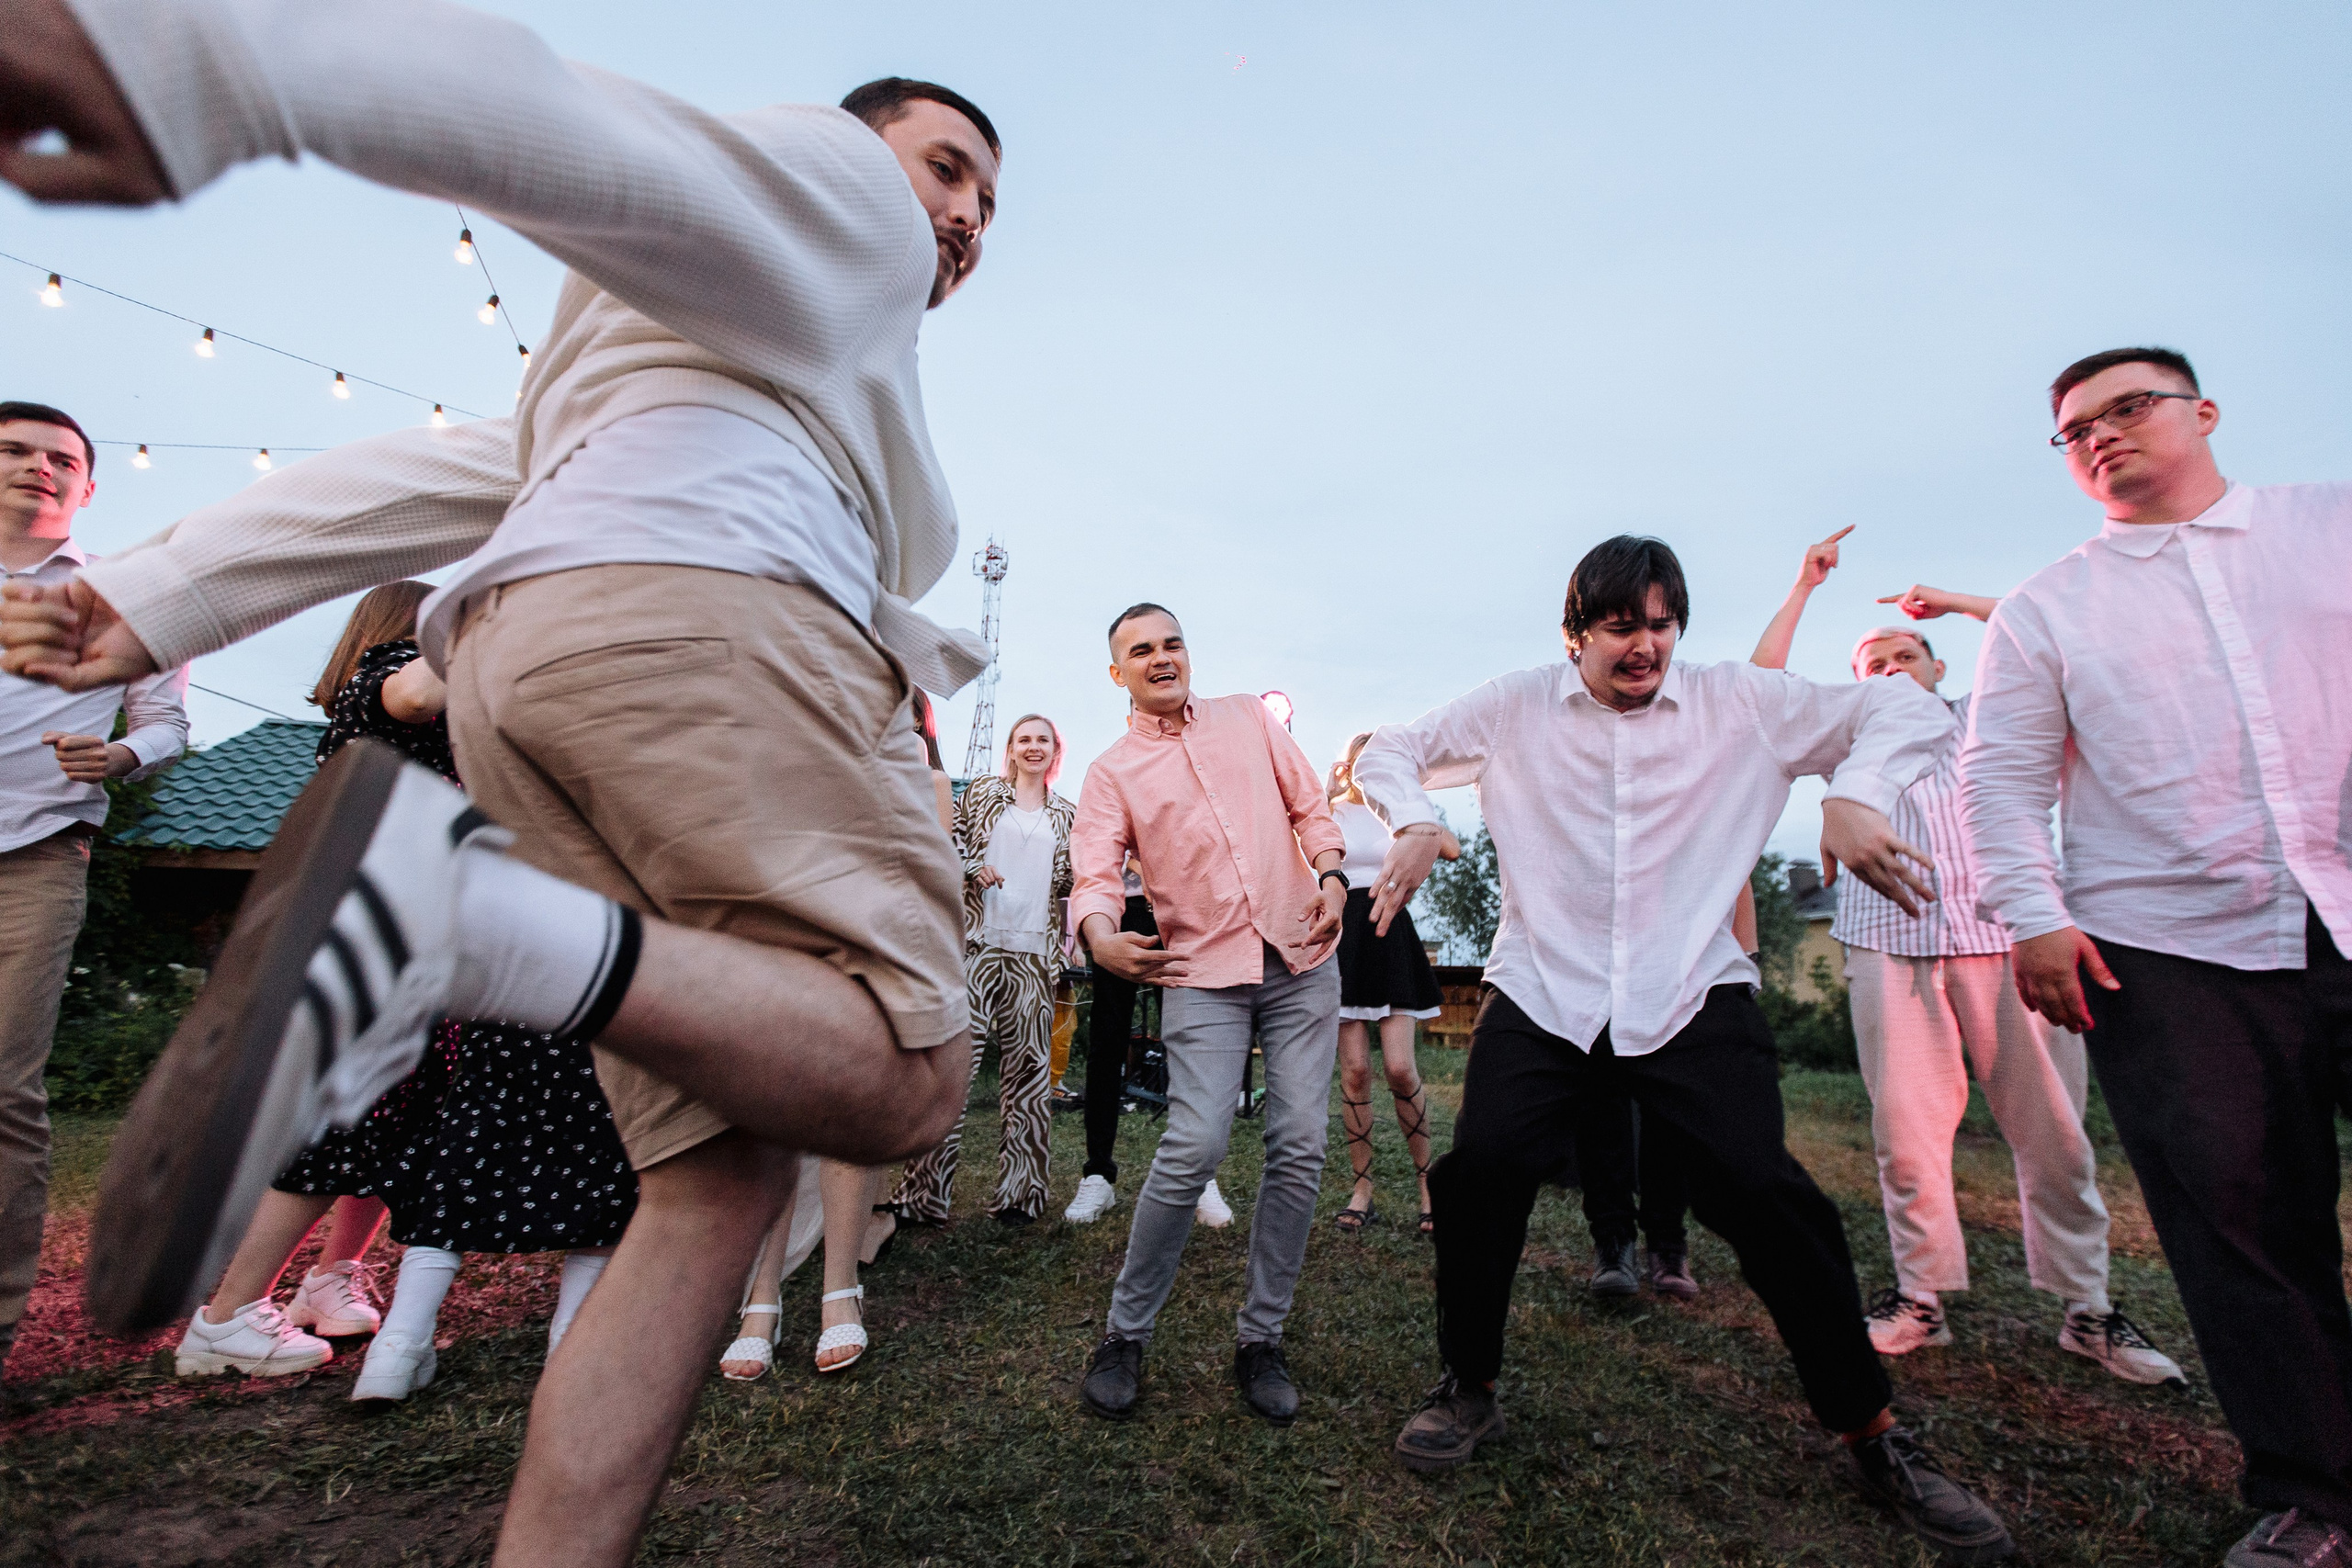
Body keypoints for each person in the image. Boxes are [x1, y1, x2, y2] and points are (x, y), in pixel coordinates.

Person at [1, 12, 1001, 1560]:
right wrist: (210, 65)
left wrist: (167, 585)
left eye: (989, 206)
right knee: (904, 1065)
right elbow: (592, 133)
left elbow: (475, 459)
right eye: (947, 168)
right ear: (856, 151)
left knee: (704, 1192)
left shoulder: (693, 345)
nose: (963, 217)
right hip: (714, 631)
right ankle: (451, 920)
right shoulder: (840, 201)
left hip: (531, 668)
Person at [1356, 536, 2014, 1564]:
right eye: (1621, 625)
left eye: (1662, 623)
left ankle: (1871, 1431)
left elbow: (1901, 710)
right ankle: (1469, 1384)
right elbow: (1389, 747)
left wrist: (1856, 793)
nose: (1645, 645)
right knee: (1482, 1175)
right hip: (1547, 987)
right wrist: (1407, 817)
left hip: (1688, 985)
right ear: (1575, 634)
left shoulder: (1739, 703)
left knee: (1766, 1194)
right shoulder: (1515, 704)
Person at [1961, 347, 2352, 1568]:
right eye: (2076, 429)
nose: (2102, 435)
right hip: (2165, 946)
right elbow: (2004, 778)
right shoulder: (2048, 607)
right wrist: (2032, 913)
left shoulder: (2327, 529)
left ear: (2205, 411)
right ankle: (2317, 1492)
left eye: (2130, 406)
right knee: (2239, 1215)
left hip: (2342, 895)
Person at [175, 584, 640, 1398]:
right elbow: (422, 690)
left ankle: (332, 1278)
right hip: (386, 934)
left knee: (405, 1122)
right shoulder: (386, 682)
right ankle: (227, 1314)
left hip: (428, 933)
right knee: (343, 1123)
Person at [1747, 531, 2180, 1385]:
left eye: (1908, 654)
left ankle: (2088, 1311)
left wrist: (1950, 601)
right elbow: (1760, 692)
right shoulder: (1851, 733)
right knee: (1905, 1136)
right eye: (1874, 660)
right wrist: (1802, 586)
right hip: (1889, 949)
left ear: (1940, 669)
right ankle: (1921, 1299)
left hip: (2008, 943)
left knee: (2054, 1132)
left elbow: (2042, 629)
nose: (1891, 667)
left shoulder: (1986, 714)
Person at [1069, 604, 1346, 1427]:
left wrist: (1332, 878)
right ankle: (1124, 1334)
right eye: (1140, 650)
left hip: (1303, 956)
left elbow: (1311, 807)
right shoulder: (1111, 772)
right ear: (1117, 672)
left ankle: (1261, 1337)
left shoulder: (1247, 719)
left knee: (1300, 1143)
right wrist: (1100, 937)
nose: (1162, 658)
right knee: (1195, 1142)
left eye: (1172, 642)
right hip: (1200, 972)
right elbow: (1093, 872)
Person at [0, 401, 187, 1385]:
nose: (40, 468)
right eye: (17, 451)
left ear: (88, 485)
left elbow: (167, 723)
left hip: (34, 858)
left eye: (60, 459)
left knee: (4, 1091)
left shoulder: (123, 595)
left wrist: (117, 752)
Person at [725, 688, 956, 1381]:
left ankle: (839, 1292)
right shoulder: (800, 753)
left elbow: (930, 868)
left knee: (846, 1117)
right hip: (790, 935)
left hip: (875, 941)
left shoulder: (927, 774)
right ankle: (759, 1300)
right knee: (776, 1120)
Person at [889, 713, 1076, 1228]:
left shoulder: (1068, 814)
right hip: (977, 946)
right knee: (951, 1071)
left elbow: (1071, 883)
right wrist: (975, 867)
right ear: (1011, 749)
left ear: (1054, 751)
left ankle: (1021, 1195)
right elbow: (952, 846)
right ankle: (922, 1196)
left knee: (1030, 1075)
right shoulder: (983, 794)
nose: (1033, 747)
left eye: (1043, 740)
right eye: (1024, 739)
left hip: (1035, 956)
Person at [1326, 731, 1454, 1236]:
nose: (1364, 767)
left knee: (1400, 1068)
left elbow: (1451, 848)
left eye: (1372, 759)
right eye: (1357, 757)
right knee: (1355, 1071)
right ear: (1346, 764)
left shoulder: (1401, 809)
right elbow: (1302, 852)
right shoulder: (1330, 810)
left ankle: (1429, 1186)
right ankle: (1363, 1188)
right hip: (1344, 940)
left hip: (1390, 933)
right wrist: (1324, 792)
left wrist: (1408, 802)